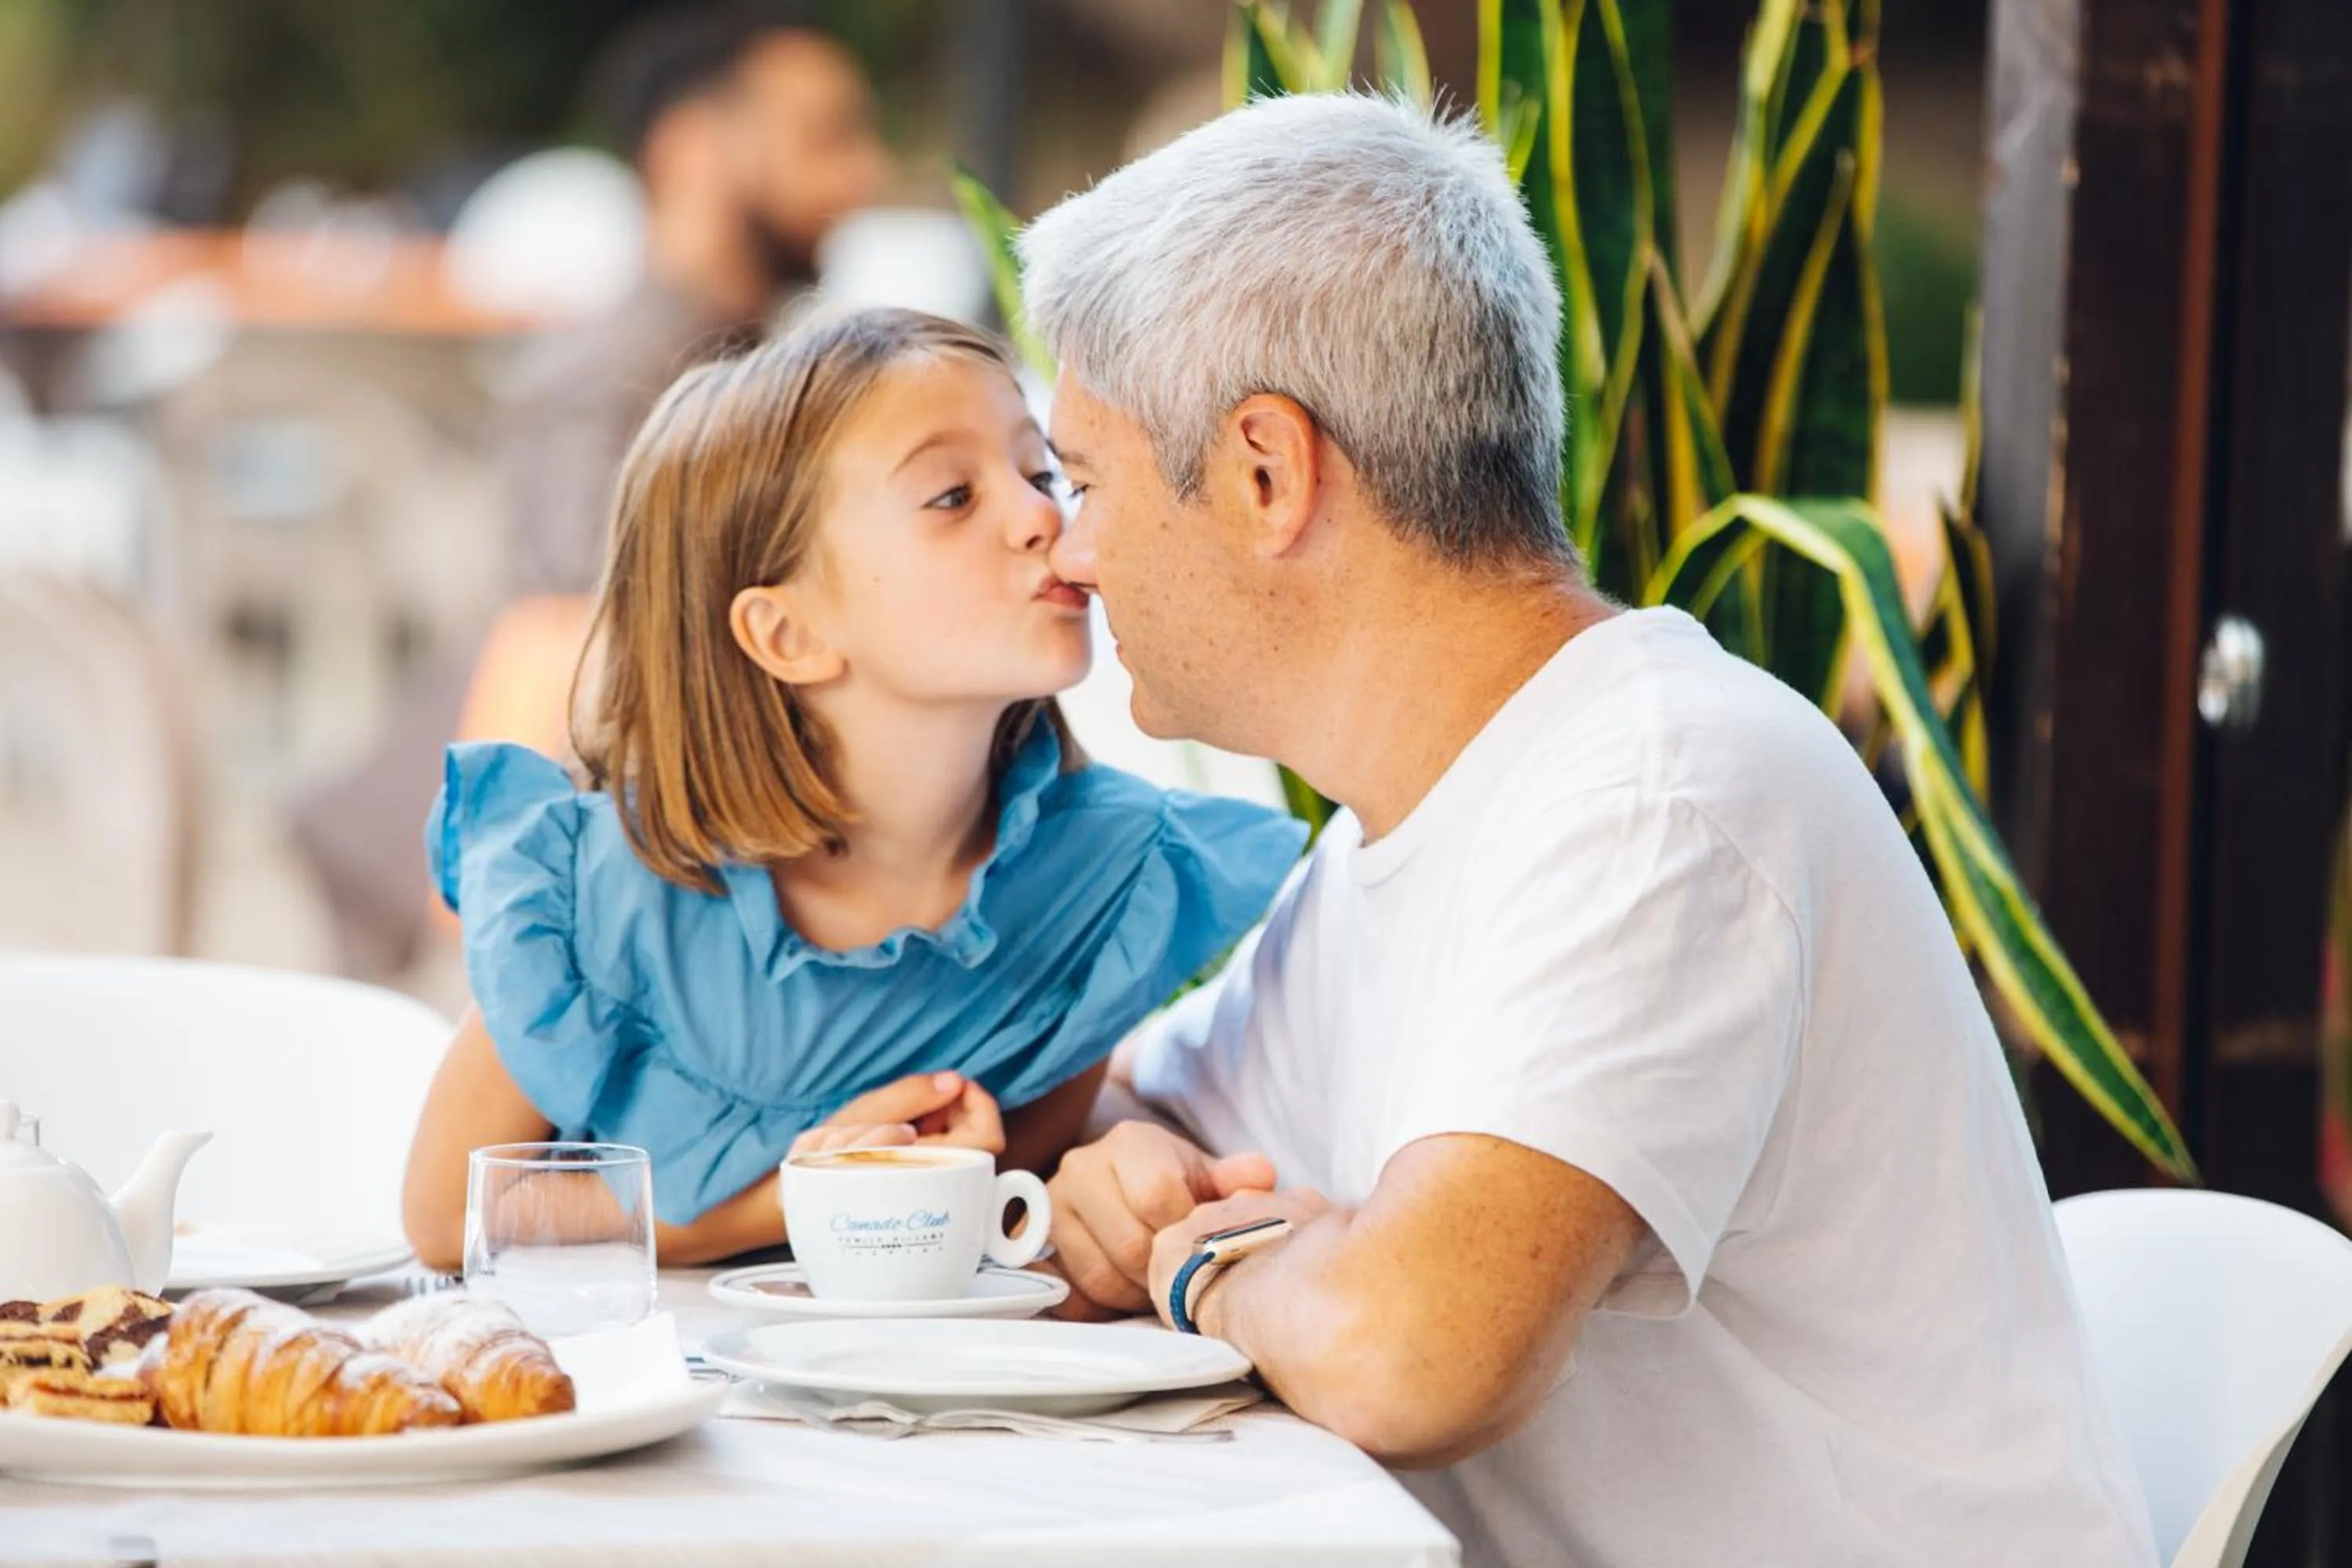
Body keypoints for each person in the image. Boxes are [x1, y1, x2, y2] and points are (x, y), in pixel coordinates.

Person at [1018, 94, 2158, 1566]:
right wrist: (1132, 1189)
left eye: (1087, 478)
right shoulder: (1414, 822)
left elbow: (1409, 1355)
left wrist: (1208, 1273)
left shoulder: (1661, 796)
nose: (1072, 548)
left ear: (1264, 472)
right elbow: (1143, 1121)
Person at [397, 308, 1305, 1270]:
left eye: (1040, 474)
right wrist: (792, 1199)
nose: (1046, 514)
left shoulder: (1105, 883)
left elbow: (1022, 1170)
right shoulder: (608, 891)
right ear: (788, 634)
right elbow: (446, 1213)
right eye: (953, 496)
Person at [293, 2, 890, 977]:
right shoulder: (617, 384)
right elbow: (573, 639)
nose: (862, 174)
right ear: (695, 149)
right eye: (824, 136)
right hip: (436, 913)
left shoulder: (732, 360)